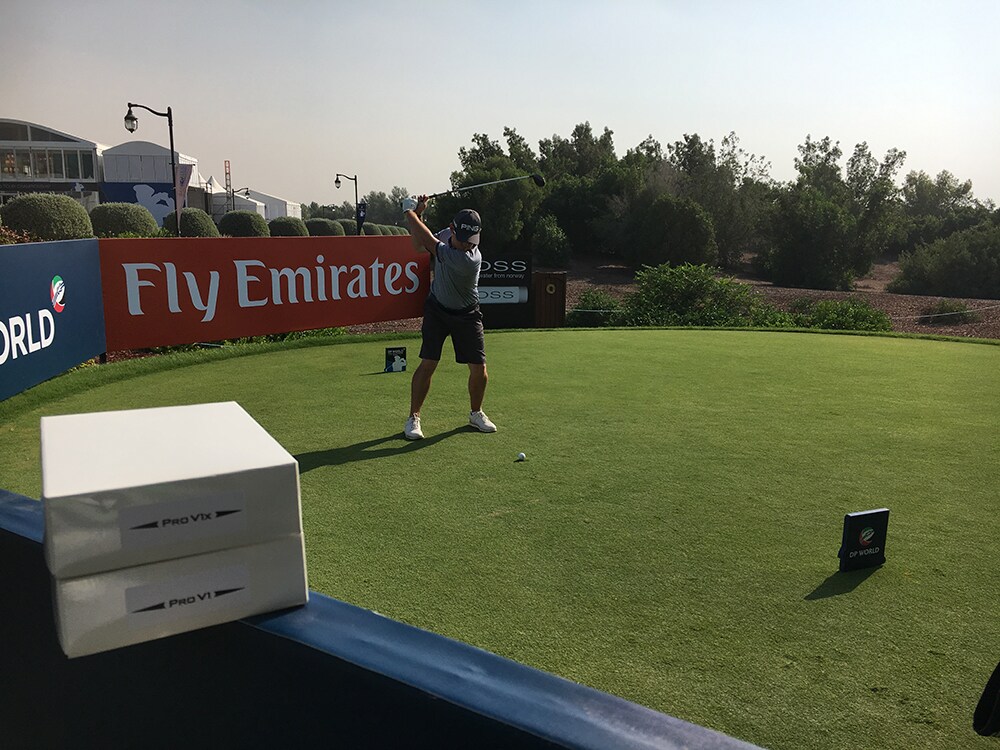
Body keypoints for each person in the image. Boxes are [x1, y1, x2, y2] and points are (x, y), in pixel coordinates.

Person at [401, 195, 496, 440]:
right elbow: (419, 245)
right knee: (428, 363)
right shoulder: (444, 235)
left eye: (471, 240)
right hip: (438, 309)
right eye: (463, 239)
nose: (467, 245)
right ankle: (413, 417)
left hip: (467, 313)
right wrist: (420, 214)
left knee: (479, 368)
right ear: (452, 229)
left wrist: (409, 212)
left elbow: (428, 242)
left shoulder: (470, 259)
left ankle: (476, 413)